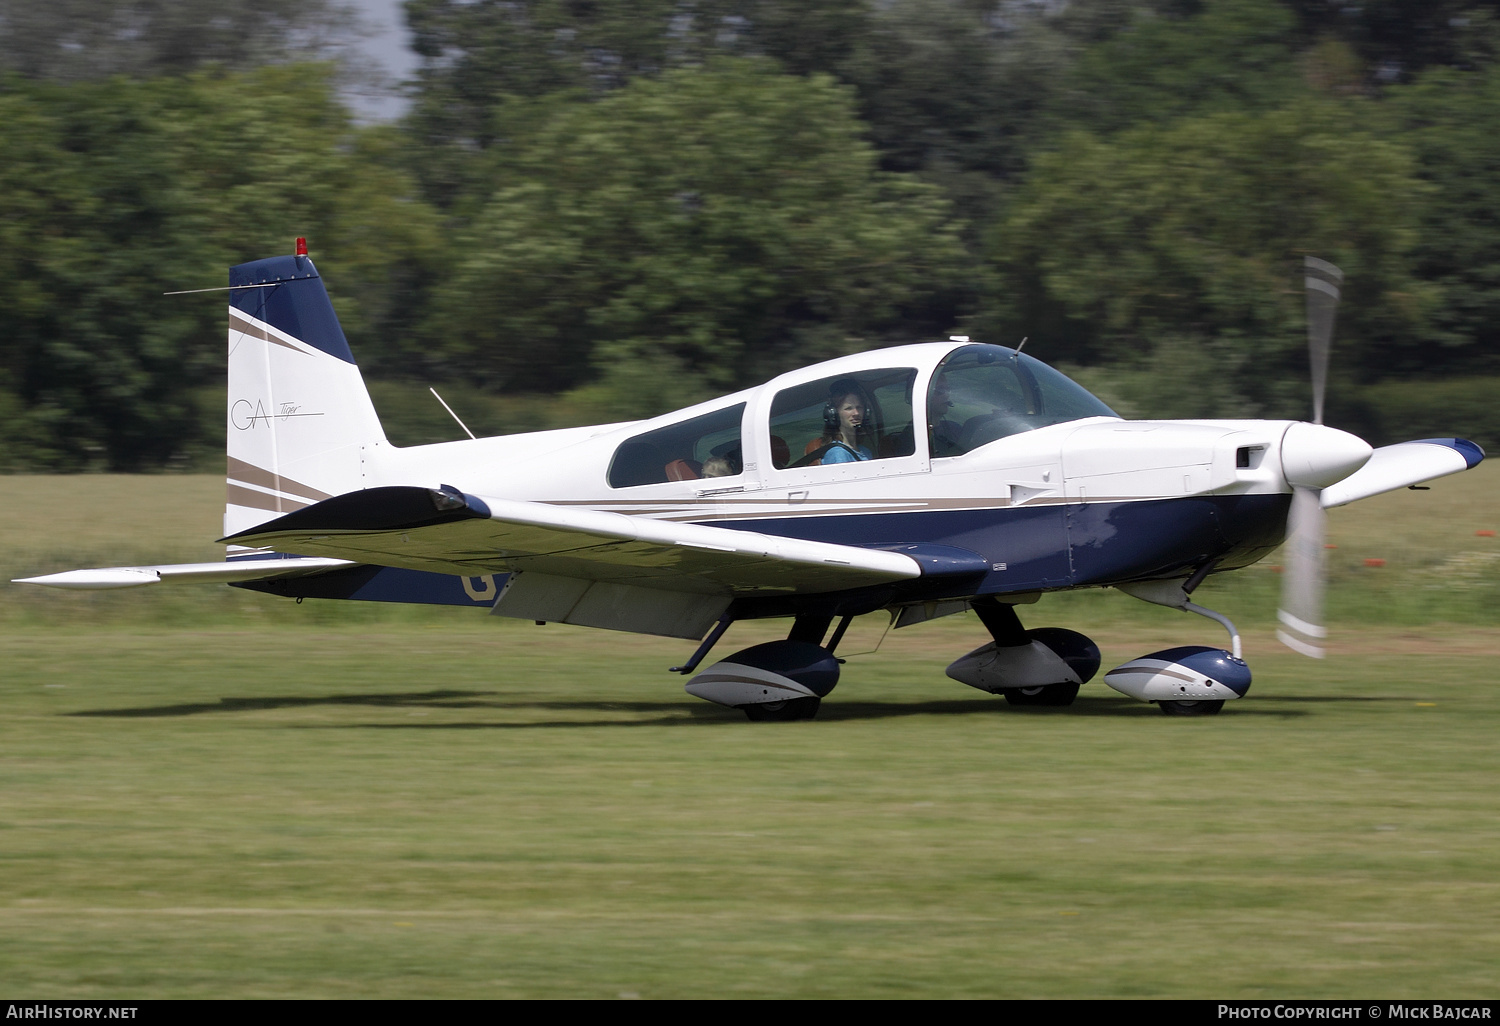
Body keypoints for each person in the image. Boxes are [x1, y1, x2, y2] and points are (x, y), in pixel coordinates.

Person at [818, 386, 873, 464]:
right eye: (849, 408)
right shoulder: (838, 453)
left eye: (859, 407)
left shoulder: (865, 451)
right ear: (834, 414)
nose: (856, 413)